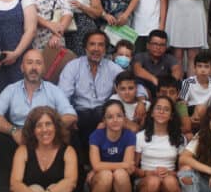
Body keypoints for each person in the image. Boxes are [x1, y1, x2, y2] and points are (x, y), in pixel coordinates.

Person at [58, 31, 147, 162]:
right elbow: (63, 97)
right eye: (92, 44)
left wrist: (141, 101)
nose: (96, 49)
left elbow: (134, 84)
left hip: (103, 113)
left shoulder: (112, 68)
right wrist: (70, 114)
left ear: (105, 49)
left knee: (110, 116)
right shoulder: (73, 66)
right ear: (85, 47)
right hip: (79, 113)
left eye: (100, 45)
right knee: (67, 122)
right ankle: (79, 167)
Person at [0, 48, 77, 179]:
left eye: (38, 63)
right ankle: (15, 181)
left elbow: (71, 115)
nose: (34, 67)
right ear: (22, 67)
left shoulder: (54, 90)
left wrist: (46, 129)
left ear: (44, 68)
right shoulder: (11, 89)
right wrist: (13, 131)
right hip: (20, 135)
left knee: (71, 135)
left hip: (47, 135)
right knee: (1, 139)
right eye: (29, 63)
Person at [133, 96, 186, 192]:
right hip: (145, 181)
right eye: (158, 108)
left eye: (166, 109)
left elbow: (183, 169)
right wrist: (148, 173)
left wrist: (170, 173)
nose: (162, 112)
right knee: (153, 181)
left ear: (171, 115)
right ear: (151, 113)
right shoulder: (140, 136)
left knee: (169, 181)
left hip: (169, 182)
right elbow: (133, 168)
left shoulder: (179, 138)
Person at [84, 99, 136, 192]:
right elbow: (96, 165)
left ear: (124, 118)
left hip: (120, 186)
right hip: (98, 184)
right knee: (107, 174)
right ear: (104, 120)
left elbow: (128, 167)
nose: (115, 120)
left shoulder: (129, 135)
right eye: (110, 117)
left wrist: (104, 167)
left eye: (119, 116)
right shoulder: (96, 136)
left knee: (120, 173)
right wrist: (123, 165)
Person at [180, 49, 211, 129]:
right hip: (191, 111)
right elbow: (182, 104)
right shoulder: (188, 82)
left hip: (208, 112)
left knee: (204, 109)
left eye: (206, 67)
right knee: (199, 108)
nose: (203, 70)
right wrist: (188, 119)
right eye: (199, 66)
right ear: (194, 68)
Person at [133, 29, 182, 95]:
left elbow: (176, 70)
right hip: (146, 86)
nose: (158, 48)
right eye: (155, 44)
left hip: (164, 88)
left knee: (178, 84)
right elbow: (137, 70)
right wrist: (155, 80)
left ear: (166, 47)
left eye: (162, 45)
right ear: (148, 45)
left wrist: (169, 84)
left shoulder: (169, 58)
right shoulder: (140, 56)